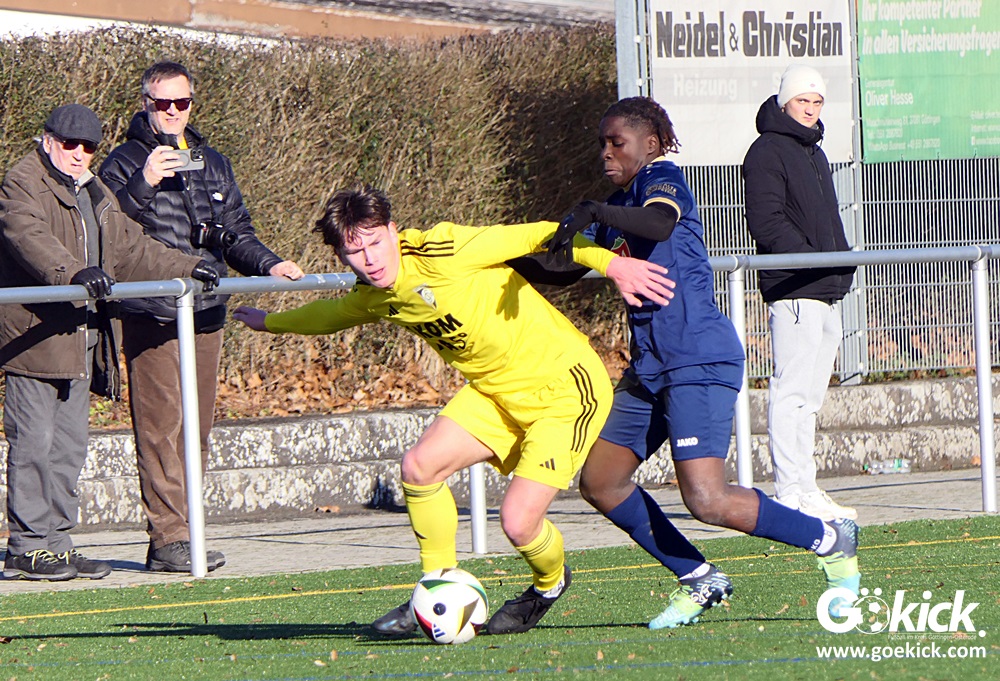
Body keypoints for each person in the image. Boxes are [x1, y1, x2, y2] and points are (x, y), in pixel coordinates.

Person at [233, 185, 675, 635]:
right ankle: (434, 588)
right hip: (495, 393)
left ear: (393, 230)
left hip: (564, 387)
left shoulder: (443, 249)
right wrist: (270, 323)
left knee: (518, 523)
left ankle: (549, 583)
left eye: (376, 242)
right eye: (355, 252)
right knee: (419, 467)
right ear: (341, 256)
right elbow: (333, 315)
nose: (370, 259)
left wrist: (612, 264)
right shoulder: (375, 295)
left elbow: (542, 234)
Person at [547, 96, 861, 629]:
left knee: (707, 499)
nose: (605, 152)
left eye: (616, 142)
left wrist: (596, 211)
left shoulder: (663, 180)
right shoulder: (617, 206)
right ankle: (698, 576)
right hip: (650, 368)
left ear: (650, 144)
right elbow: (559, 269)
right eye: (601, 143)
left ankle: (829, 539)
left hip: (698, 359)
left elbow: (658, 224)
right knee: (601, 482)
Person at [98, 62, 304, 573]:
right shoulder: (123, 161)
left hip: (207, 311)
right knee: (160, 429)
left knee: (198, 429)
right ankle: (168, 538)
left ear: (192, 103)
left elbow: (235, 232)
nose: (172, 112)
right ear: (145, 103)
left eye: (182, 102)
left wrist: (270, 264)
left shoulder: (212, 162)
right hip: (152, 313)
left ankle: (187, 532)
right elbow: (106, 233)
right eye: (162, 103)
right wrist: (145, 182)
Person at [0, 104, 220, 581]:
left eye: (89, 147)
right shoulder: (21, 182)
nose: (79, 154)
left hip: (81, 340)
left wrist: (188, 266)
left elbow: (132, 248)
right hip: (34, 342)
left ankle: (57, 544)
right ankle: (27, 547)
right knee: (33, 446)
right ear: (47, 140)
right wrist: (74, 273)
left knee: (68, 450)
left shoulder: (94, 189)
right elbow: (29, 237)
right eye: (70, 144)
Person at [742, 65, 857, 521]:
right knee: (791, 392)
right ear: (784, 101)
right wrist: (813, 259)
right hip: (794, 288)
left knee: (810, 397)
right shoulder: (767, 151)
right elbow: (766, 222)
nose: (810, 109)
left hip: (825, 287)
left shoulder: (816, 152)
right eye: (802, 100)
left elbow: (827, 219)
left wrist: (840, 263)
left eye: (817, 101)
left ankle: (805, 487)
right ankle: (789, 491)